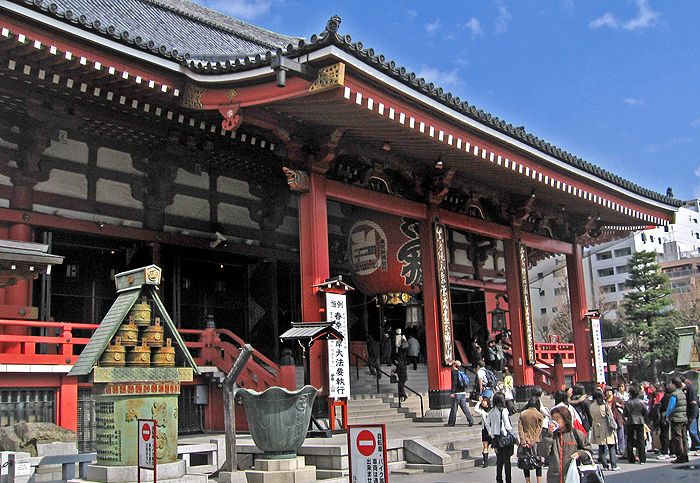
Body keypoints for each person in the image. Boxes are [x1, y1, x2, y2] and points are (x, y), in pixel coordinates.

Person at [538, 406, 592, 483]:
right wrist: (549, 435)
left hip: (572, 476)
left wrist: (579, 453)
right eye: (553, 419)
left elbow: (588, 451)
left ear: (565, 419)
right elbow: (543, 453)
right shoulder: (550, 435)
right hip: (554, 477)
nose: (554, 421)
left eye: (557, 419)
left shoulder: (576, 434)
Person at [487, 392, 517, 483]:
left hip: (496, 438)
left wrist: (491, 433)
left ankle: (499, 479)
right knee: (507, 461)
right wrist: (514, 435)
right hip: (504, 437)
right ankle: (508, 480)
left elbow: (487, 423)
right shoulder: (503, 411)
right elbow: (507, 425)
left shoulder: (491, 411)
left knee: (499, 461)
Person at [590, 388, 619, 471]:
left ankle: (605, 465)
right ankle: (614, 465)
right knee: (611, 446)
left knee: (601, 447)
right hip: (606, 426)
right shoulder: (604, 405)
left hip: (597, 426)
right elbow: (610, 416)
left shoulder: (591, 406)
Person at [518, 397, 544, 483]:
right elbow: (538, 430)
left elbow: (520, 429)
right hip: (536, 442)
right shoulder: (539, 415)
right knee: (538, 463)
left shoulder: (523, 414)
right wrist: (533, 441)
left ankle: (528, 481)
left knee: (525, 462)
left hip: (525, 441)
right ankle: (539, 481)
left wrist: (523, 441)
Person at [445, 360, 474, 427]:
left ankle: (451, 422)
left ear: (454, 365)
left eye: (452, 364)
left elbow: (454, 383)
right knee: (464, 408)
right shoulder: (461, 372)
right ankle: (471, 420)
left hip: (457, 393)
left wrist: (452, 392)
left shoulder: (453, 372)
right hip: (463, 392)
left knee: (454, 408)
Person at [624, 384, 648, 464]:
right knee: (641, 440)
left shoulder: (628, 403)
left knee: (629, 440)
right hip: (640, 421)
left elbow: (625, 413)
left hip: (630, 421)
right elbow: (645, 412)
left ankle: (631, 458)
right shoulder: (641, 402)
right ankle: (642, 458)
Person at [666, 377, 688, 463]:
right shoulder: (682, 393)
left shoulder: (674, 394)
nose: (670, 385)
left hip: (676, 418)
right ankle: (685, 455)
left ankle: (680, 456)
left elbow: (671, 407)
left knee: (677, 438)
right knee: (683, 437)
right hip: (683, 417)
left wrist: (667, 416)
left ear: (674, 384)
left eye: (671, 383)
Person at [474, 396, 493, 468]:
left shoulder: (492, 410)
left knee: (496, 446)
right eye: (482, 402)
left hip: (492, 429)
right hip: (485, 430)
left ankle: (499, 459)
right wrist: (479, 401)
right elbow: (475, 409)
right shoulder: (482, 411)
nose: (483, 403)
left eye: (484, 401)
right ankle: (485, 461)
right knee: (485, 446)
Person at [683, 378, 700, 453]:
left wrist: (692, 415)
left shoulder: (690, 389)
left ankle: (698, 446)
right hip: (692, 412)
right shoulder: (688, 389)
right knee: (693, 430)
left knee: (692, 430)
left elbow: (693, 402)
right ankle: (694, 445)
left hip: (692, 412)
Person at [656, 383, 672, 460]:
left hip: (665, 417)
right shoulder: (672, 396)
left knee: (664, 435)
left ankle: (665, 451)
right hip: (671, 417)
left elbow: (664, 407)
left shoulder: (666, 397)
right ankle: (672, 451)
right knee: (670, 435)